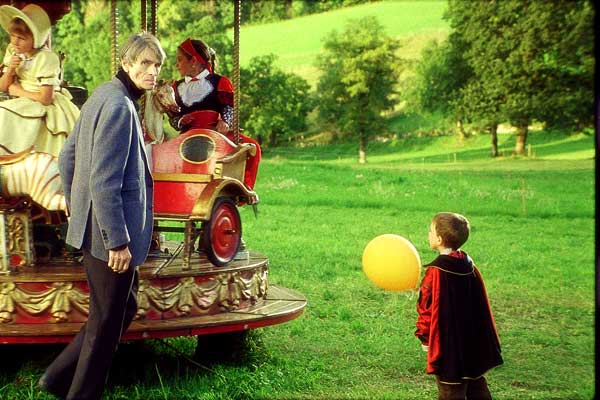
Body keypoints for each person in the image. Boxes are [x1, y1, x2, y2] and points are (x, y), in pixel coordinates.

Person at [37, 32, 165, 400]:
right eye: (145, 63)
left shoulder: (102, 94)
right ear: (126, 63)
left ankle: (56, 378)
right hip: (109, 235)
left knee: (123, 307)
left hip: (97, 227)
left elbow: (68, 157)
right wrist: (117, 241)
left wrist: (76, 204)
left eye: (157, 65)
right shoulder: (119, 106)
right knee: (105, 323)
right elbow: (104, 181)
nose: (152, 71)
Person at [415, 212, 503, 400]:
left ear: (439, 239)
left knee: (450, 389)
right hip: (472, 340)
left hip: (448, 344)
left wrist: (425, 338)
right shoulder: (467, 263)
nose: (428, 234)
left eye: (431, 231)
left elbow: (426, 308)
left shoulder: (435, 272)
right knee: (475, 382)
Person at [168, 38, 260, 189]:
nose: (177, 65)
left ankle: (243, 188)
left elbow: (229, 107)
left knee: (251, 147)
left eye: (180, 60)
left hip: (215, 133)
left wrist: (225, 121)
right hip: (187, 137)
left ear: (194, 61)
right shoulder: (176, 87)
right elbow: (173, 117)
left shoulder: (219, 82)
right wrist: (180, 121)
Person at [0, 4, 79, 158]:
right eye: (13, 36)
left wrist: (18, 91)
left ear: (35, 39)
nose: (15, 42)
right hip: (21, 101)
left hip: (41, 102)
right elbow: (3, 87)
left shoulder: (46, 58)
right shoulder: (13, 51)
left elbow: (46, 99)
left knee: (3, 113)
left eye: (21, 38)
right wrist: (10, 70)